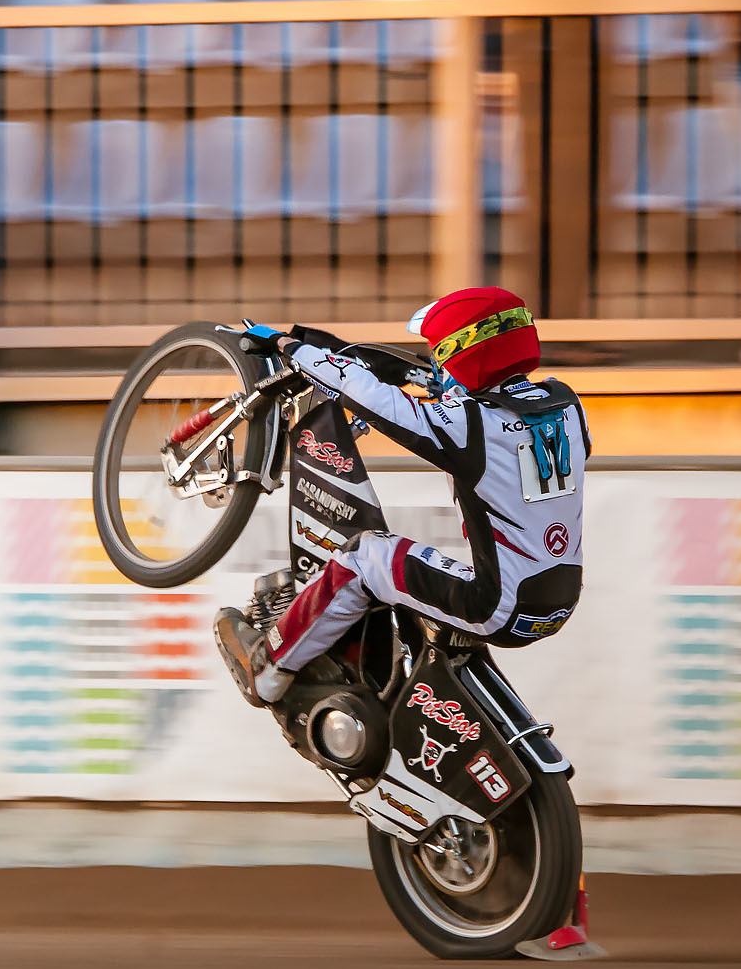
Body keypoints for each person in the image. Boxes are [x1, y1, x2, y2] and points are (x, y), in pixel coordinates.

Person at [217, 289, 589, 708]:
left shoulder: (471, 424)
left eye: (439, 351)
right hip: (557, 602)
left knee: (364, 555)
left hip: (496, 606)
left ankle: (267, 670)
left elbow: (365, 393)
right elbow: (488, 415)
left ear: (465, 350)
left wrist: (288, 344)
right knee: (409, 572)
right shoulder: (567, 404)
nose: (436, 362)